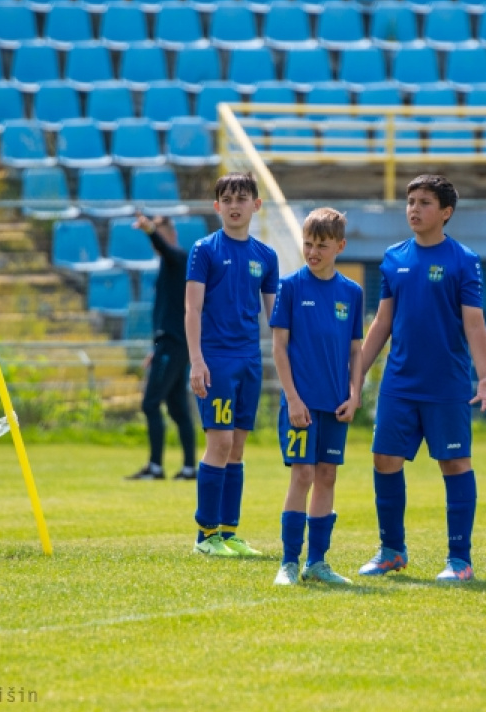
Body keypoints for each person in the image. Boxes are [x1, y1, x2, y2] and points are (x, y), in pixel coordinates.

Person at [358, 174, 486, 582]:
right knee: (384, 459)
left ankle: (460, 560)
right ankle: (392, 550)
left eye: (424, 202)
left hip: (446, 384)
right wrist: (357, 375)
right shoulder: (393, 257)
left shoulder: (464, 259)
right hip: (399, 383)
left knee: (455, 463)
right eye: (410, 201)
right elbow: (382, 323)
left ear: (446, 212)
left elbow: (474, 325)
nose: (414, 209)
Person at [185, 171, 279, 557]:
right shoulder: (204, 250)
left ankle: (228, 532)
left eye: (243, 199)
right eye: (228, 199)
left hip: (249, 361)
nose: (235, 205)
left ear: (256, 205)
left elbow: (276, 319)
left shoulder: (266, 256)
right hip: (217, 360)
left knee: (237, 448)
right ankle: (205, 536)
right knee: (219, 442)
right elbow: (192, 308)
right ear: (217, 206)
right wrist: (196, 360)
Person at [269, 208, 363, 586]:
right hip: (301, 404)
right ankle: (289, 563)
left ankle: (317, 563)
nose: (313, 252)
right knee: (302, 475)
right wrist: (292, 398)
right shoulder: (290, 287)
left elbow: (356, 350)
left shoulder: (351, 293)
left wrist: (355, 394)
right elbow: (279, 346)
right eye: (308, 244)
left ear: (339, 246)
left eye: (322, 246)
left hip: (335, 403)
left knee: (327, 476)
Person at [126, 214, 197, 482]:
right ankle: (189, 468)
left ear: (170, 233)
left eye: (159, 232)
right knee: (178, 408)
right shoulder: (170, 264)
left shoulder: (178, 258)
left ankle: (155, 467)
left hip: (174, 344)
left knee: (150, 402)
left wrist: (150, 230)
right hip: (168, 344)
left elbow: (165, 248)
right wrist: (156, 348)